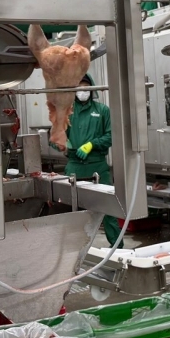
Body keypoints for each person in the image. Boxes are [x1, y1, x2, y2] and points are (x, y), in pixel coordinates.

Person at [63, 74, 123, 247]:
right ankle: (72, 251)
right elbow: (55, 137)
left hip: (98, 166)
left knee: (109, 209)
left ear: (92, 88)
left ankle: (117, 249)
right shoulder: (66, 111)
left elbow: (111, 136)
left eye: (86, 86)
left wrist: (92, 144)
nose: (83, 90)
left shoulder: (102, 110)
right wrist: (64, 144)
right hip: (74, 166)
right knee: (72, 210)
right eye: (79, 86)